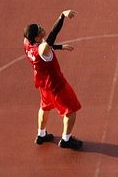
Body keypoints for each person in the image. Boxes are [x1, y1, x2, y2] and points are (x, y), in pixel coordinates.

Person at [23, 10, 83, 149]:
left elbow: (46, 47)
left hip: (43, 85)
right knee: (71, 110)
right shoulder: (42, 50)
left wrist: (60, 47)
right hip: (56, 85)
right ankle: (66, 140)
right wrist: (62, 16)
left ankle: (41, 134)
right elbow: (51, 37)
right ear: (37, 39)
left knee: (44, 107)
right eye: (40, 30)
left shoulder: (27, 43)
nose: (42, 28)